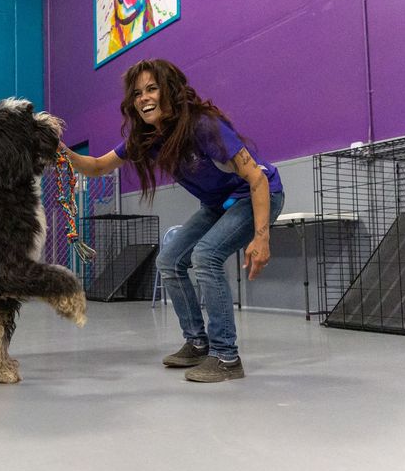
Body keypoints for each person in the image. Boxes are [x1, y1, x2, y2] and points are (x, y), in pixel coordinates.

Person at [62, 58, 285, 382]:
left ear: (170, 92)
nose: (144, 98)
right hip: (219, 204)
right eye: (137, 93)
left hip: (258, 195)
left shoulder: (204, 125)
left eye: (151, 89)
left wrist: (261, 237)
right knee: (169, 259)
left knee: (206, 255)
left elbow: (257, 179)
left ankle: (226, 357)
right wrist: (57, 150)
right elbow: (96, 165)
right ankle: (197, 343)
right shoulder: (146, 137)